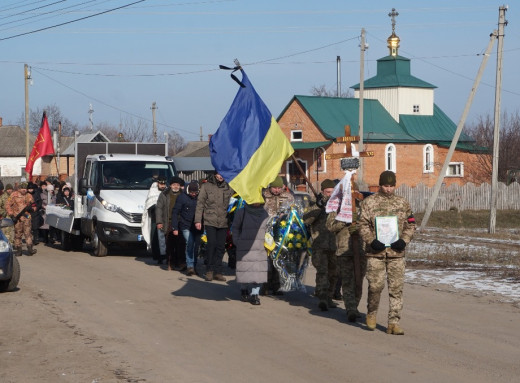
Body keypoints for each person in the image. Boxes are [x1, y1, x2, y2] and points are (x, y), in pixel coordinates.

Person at [358, 170, 416, 335]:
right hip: (375, 252)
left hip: (396, 253)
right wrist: (371, 240)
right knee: (376, 286)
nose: (388, 189)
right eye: (385, 185)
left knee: (396, 288)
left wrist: (404, 240)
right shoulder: (369, 202)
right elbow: (362, 224)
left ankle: (393, 322)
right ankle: (371, 313)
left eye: (391, 186)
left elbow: (410, 224)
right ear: (380, 184)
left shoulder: (402, 203)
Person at [326, 179, 367, 322]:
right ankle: (351, 309)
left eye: (353, 192)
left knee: (359, 281)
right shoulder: (336, 207)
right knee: (348, 281)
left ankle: (355, 305)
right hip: (344, 250)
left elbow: (371, 224)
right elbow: (330, 226)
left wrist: (359, 223)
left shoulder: (364, 206)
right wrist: (344, 220)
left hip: (361, 250)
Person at [304, 179, 338, 311]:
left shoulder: (338, 202)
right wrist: (318, 206)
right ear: (323, 191)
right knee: (322, 271)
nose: (330, 194)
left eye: (332, 191)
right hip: (320, 243)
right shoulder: (315, 203)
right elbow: (306, 219)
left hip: (335, 243)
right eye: (328, 192)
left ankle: (329, 296)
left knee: (334, 272)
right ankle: (323, 297)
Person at [194, 172, 234, 282]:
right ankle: (209, 270)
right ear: (215, 174)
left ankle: (218, 271)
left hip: (224, 221)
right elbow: (200, 203)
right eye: (218, 174)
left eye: (222, 174)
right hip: (210, 220)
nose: (221, 176)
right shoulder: (207, 186)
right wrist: (198, 220)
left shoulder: (229, 186)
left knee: (221, 246)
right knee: (211, 245)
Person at [232, 202, 269, 305]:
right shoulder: (241, 212)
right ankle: (244, 289)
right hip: (245, 247)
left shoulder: (264, 213)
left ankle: (255, 294)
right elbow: (235, 227)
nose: (256, 202)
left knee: (259, 272)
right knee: (245, 270)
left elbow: (268, 229)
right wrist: (237, 241)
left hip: (260, 248)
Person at [262, 175, 295, 295]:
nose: (276, 190)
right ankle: (264, 285)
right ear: (270, 187)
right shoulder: (264, 196)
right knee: (266, 260)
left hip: (282, 234)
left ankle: (276, 285)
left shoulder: (288, 197)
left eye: (279, 188)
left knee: (279, 260)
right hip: (267, 233)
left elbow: (293, 212)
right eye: (274, 188)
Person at [171, 180, 202, 276]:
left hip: (197, 226)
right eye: (192, 193)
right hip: (185, 225)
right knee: (190, 243)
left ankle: (194, 266)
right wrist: (175, 227)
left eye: (195, 193)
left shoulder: (200, 197)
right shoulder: (182, 197)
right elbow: (175, 212)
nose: (193, 195)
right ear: (189, 191)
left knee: (196, 246)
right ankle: (189, 266)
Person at [155, 176, 184, 266]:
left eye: (177, 185)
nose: (176, 186)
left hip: (180, 222)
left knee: (180, 243)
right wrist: (159, 222)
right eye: (174, 184)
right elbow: (159, 208)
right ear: (170, 185)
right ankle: (169, 262)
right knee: (169, 243)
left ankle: (179, 262)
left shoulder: (183, 194)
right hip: (167, 222)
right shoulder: (164, 194)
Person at [6, 182, 36, 256]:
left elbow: (34, 205)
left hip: (27, 217)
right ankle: (19, 249)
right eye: (22, 188)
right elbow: (7, 205)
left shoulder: (29, 196)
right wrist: (11, 215)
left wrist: (31, 209)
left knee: (28, 233)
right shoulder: (13, 195)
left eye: (25, 188)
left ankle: (30, 248)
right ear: (19, 188)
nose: (24, 190)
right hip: (17, 218)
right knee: (18, 234)